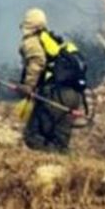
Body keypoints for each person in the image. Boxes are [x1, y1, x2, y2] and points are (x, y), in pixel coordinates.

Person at [17, 8, 86, 152]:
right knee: (60, 142)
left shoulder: (32, 41)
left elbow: (37, 61)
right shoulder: (51, 40)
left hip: (56, 95)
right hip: (74, 95)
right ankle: (64, 163)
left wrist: (28, 86)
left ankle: (49, 164)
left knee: (33, 136)